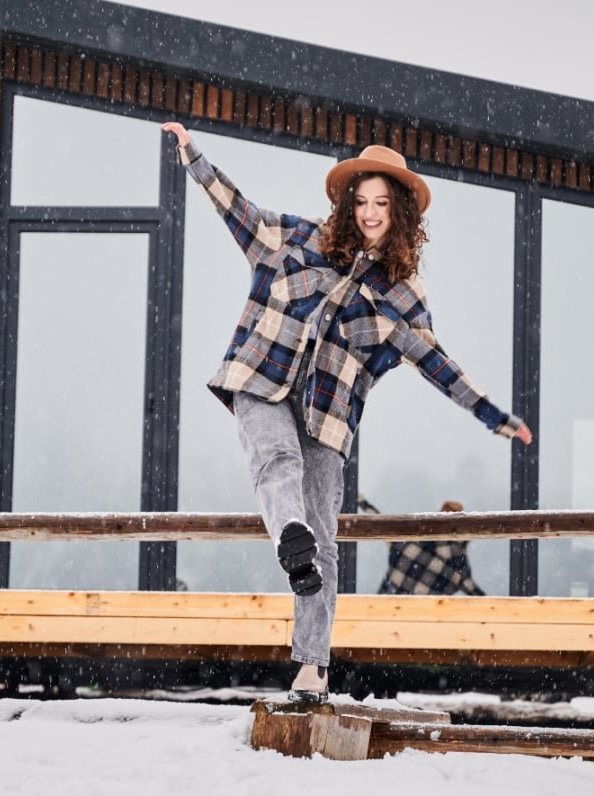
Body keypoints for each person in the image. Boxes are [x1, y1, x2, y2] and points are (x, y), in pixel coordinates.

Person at [163, 121, 532, 703]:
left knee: (326, 541)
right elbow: (238, 211)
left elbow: (437, 362)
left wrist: (491, 415)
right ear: (347, 202)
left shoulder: (401, 294)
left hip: (327, 416)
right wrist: (192, 155)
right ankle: (289, 532)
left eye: (382, 203)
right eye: (361, 201)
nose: (369, 213)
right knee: (275, 461)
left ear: (400, 211)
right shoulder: (295, 239)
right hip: (261, 379)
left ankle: (312, 667)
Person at [377, 500, 486, 596]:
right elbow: (472, 589)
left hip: (383, 610)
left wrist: (362, 500)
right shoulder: (456, 558)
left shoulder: (415, 538)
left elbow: (377, 524)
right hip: (422, 615)